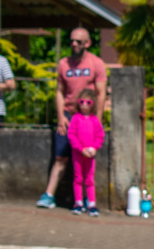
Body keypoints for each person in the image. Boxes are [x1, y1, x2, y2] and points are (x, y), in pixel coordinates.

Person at [36, 27, 108, 209]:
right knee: (61, 157)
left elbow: (100, 93)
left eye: (79, 41)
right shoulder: (63, 64)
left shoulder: (96, 63)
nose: (74, 44)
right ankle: (49, 195)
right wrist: (61, 116)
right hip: (68, 115)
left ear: (88, 43)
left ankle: (86, 200)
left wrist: (97, 121)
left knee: (87, 161)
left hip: (87, 117)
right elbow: (59, 92)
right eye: (72, 41)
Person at [67, 88, 105, 216]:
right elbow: (71, 135)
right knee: (78, 178)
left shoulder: (95, 120)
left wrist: (94, 148)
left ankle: (91, 204)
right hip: (78, 154)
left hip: (90, 154)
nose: (84, 104)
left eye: (88, 102)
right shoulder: (75, 119)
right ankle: (78, 203)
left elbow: (100, 136)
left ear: (92, 103)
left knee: (89, 179)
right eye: (81, 101)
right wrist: (80, 149)